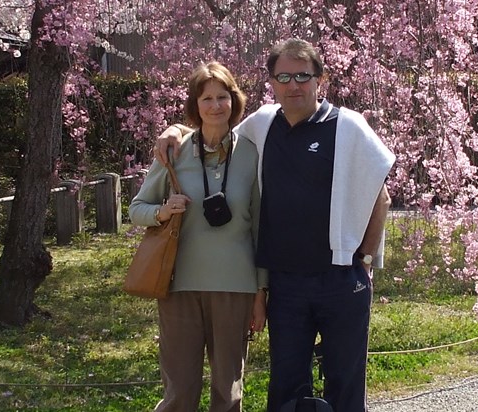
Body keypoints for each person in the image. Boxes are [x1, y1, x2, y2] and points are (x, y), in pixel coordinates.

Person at [154, 39, 395, 412]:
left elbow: (381, 197)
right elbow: (215, 128)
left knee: (345, 384)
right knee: (287, 387)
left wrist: (363, 258)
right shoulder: (263, 124)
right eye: (283, 76)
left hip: (340, 279)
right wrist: (175, 130)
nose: (293, 85)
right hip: (286, 284)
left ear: (321, 79)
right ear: (272, 82)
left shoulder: (347, 127)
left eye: (303, 75)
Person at [129, 61, 268, 412]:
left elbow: (260, 227)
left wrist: (260, 291)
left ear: (234, 101)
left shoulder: (251, 153)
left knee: (228, 389)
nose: (216, 105)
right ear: (195, 104)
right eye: (207, 98)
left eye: (223, 97)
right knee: (179, 389)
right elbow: (136, 208)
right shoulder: (173, 152)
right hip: (179, 285)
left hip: (235, 287)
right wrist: (162, 211)